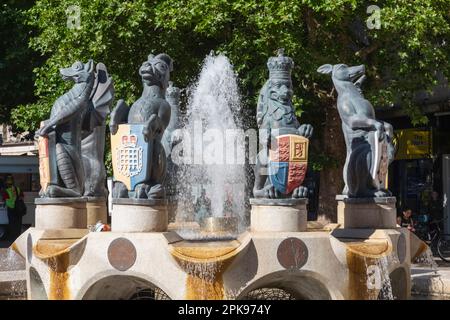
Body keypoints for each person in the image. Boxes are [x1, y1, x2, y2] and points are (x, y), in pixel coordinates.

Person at [2, 175, 24, 240]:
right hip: (18, 208)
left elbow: (4, 199)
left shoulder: (6, 191)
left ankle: (12, 236)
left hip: (11, 208)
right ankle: (18, 236)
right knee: (18, 223)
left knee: (12, 223)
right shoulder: (18, 189)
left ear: (7, 184)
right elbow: (22, 197)